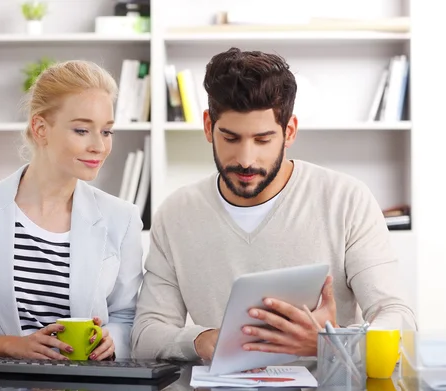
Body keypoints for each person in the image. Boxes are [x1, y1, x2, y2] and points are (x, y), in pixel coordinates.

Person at [131, 48, 416, 362]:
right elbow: (146, 335)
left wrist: (331, 343)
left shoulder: (346, 200)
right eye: (231, 137)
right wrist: (200, 340)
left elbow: (398, 317)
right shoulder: (177, 214)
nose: (245, 159)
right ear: (209, 126)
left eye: (263, 140)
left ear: (289, 131)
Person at [0, 60, 144, 361]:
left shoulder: (122, 219)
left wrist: (113, 342)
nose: (99, 146)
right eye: (82, 130)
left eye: (107, 132)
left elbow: (128, 318)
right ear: (41, 127)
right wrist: (10, 345)